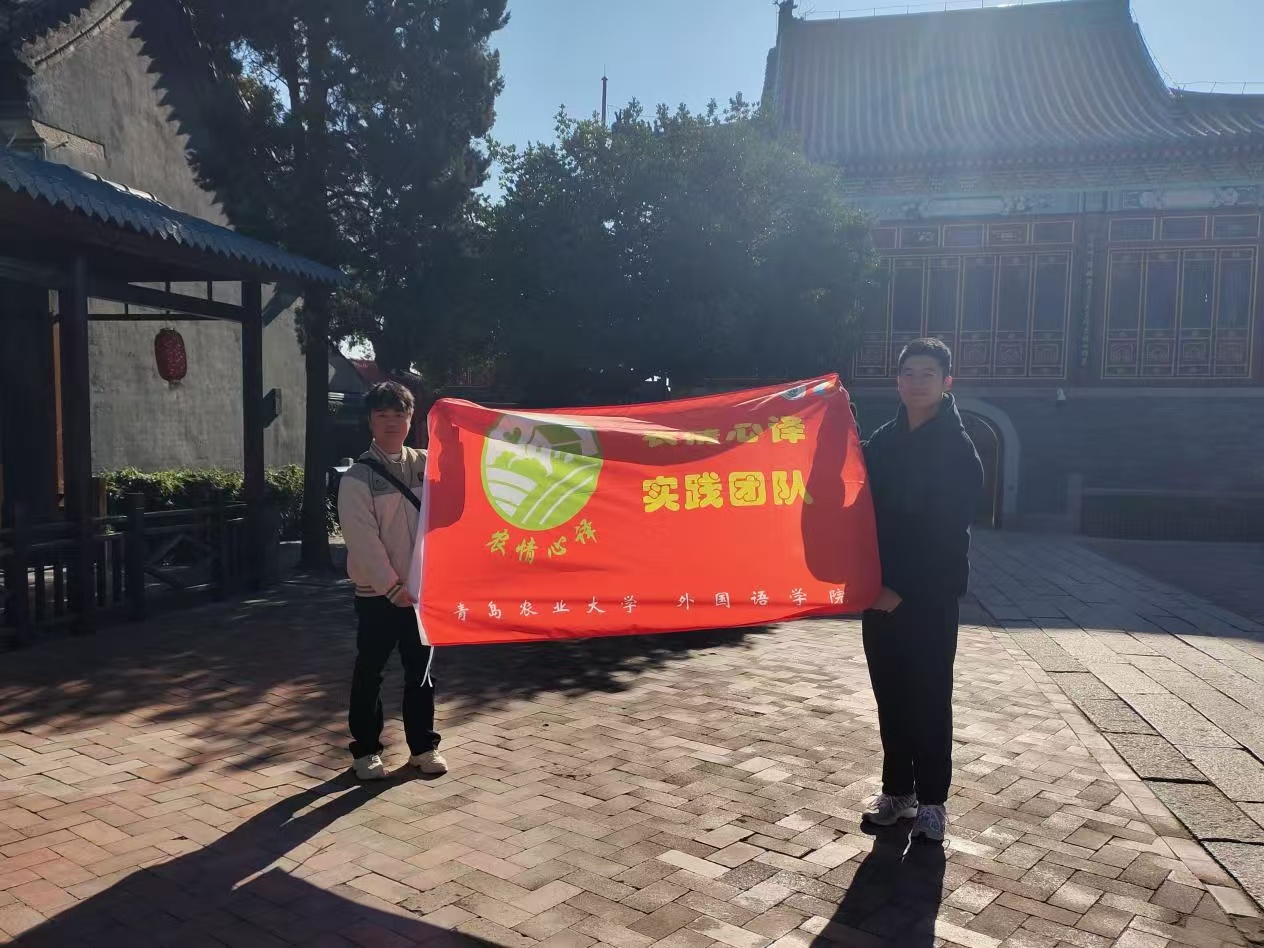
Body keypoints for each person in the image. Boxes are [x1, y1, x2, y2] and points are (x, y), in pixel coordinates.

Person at [859, 338, 983, 843]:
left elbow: (946, 535)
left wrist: (901, 588)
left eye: (927, 374)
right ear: (898, 381)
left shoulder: (958, 449)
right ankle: (898, 793)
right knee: (890, 696)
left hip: (928, 598)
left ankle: (932, 802)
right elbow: (850, 491)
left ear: (947, 382)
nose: (916, 382)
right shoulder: (883, 440)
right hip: (878, 595)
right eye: (908, 373)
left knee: (929, 698)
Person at [337, 381, 447, 781]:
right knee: (371, 671)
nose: (391, 423)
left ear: (411, 418)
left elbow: (460, 491)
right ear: (370, 420)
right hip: (377, 595)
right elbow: (362, 540)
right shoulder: (357, 478)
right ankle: (366, 751)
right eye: (382, 415)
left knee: (421, 673)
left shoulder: (427, 464)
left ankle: (423, 747)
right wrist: (392, 586)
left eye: (399, 415)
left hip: (420, 594)